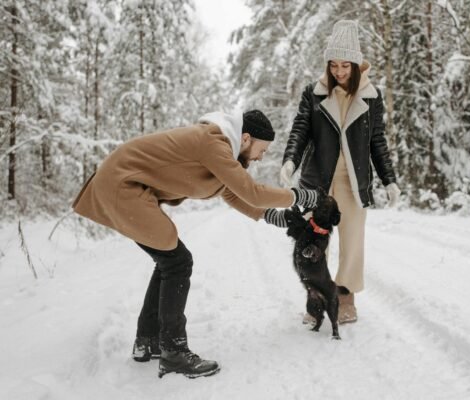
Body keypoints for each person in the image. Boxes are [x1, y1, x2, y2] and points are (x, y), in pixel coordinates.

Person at [72, 110, 319, 379]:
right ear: (246, 138)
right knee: (178, 262)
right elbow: (252, 192)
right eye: (263, 149)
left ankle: (148, 341)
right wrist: (300, 195)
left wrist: (271, 216)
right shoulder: (213, 142)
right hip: (122, 186)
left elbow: (231, 192)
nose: (262, 156)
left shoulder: (218, 147)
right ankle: (173, 352)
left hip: (122, 186)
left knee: (170, 261)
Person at [279, 20, 400, 325]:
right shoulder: (314, 93)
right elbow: (300, 130)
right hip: (317, 182)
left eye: (346, 65)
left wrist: (390, 179)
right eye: (334, 65)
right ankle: (316, 299)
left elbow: (377, 140)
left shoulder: (371, 97)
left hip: (353, 181)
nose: (339, 71)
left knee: (352, 242)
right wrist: (290, 161)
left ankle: (345, 299)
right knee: (313, 244)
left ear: (357, 64)